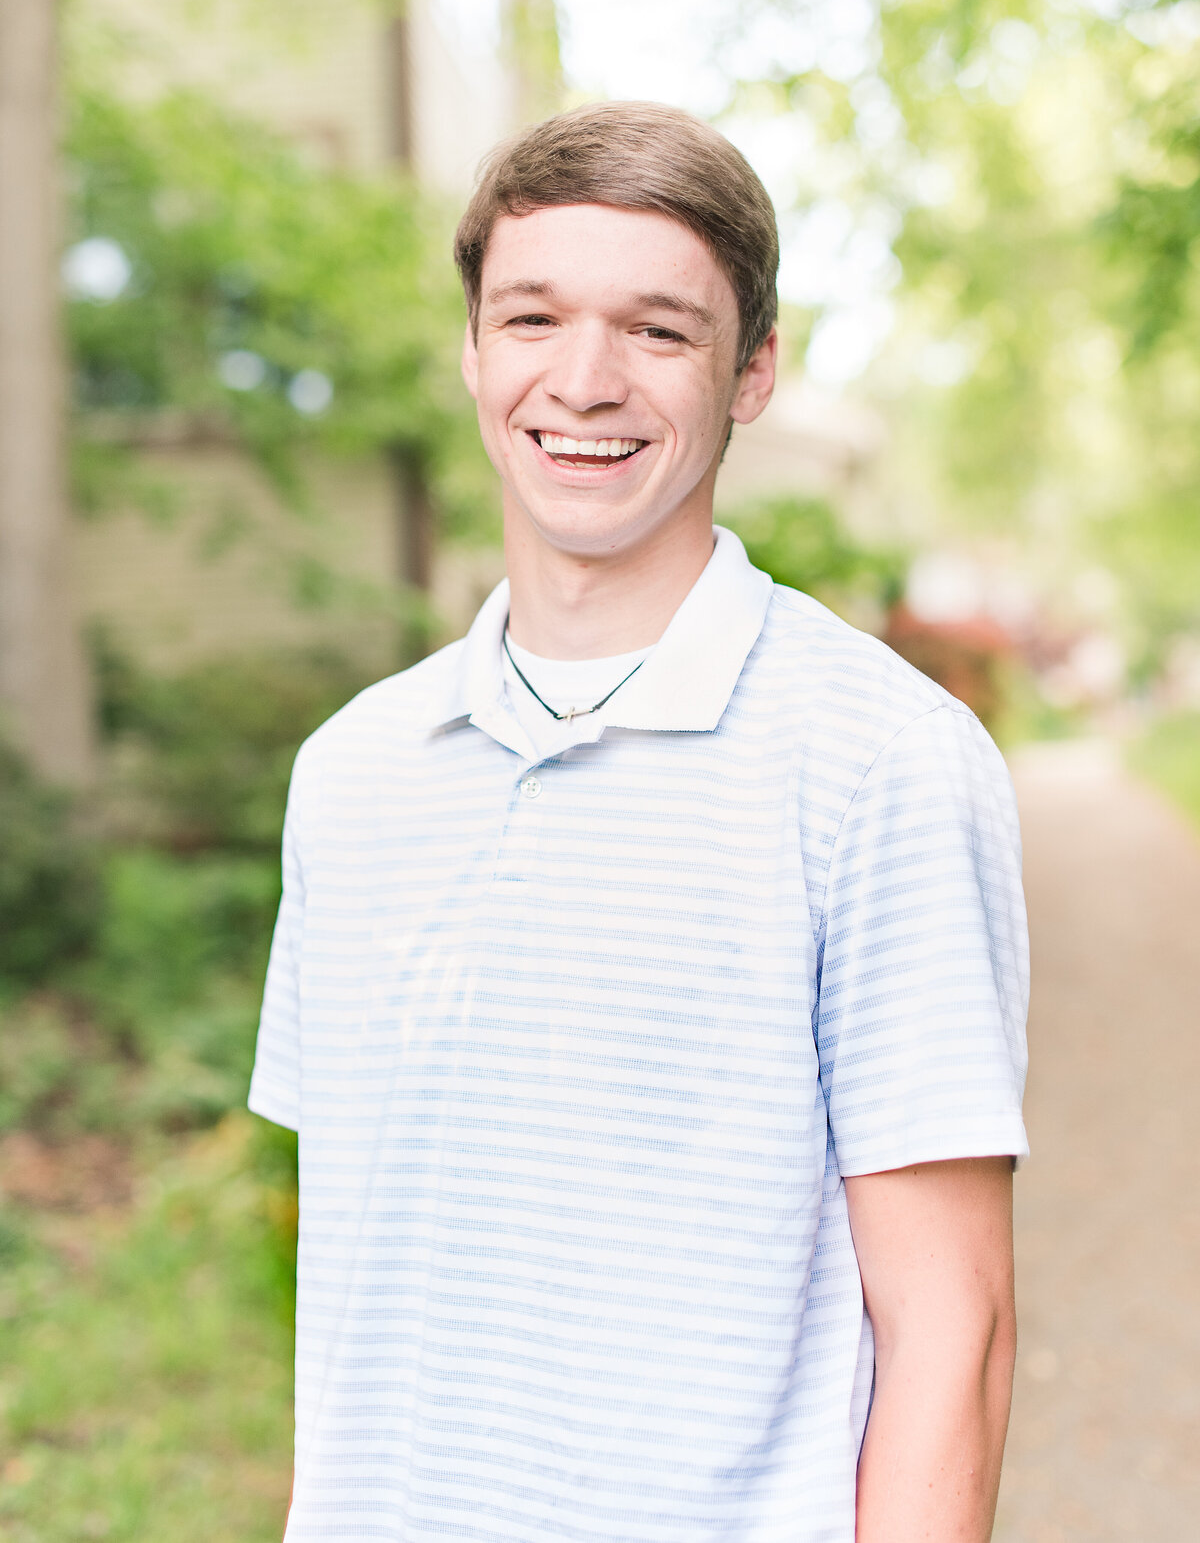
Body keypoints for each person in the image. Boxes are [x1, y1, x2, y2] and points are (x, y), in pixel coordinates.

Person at [249, 101, 1029, 1543]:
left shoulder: (885, 762)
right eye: (533, 316)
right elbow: (370, 1282)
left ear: (754, 373)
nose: (586, 380)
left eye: (659, 331)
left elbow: (954, 1330)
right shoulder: (352, 773)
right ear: (474, 352)